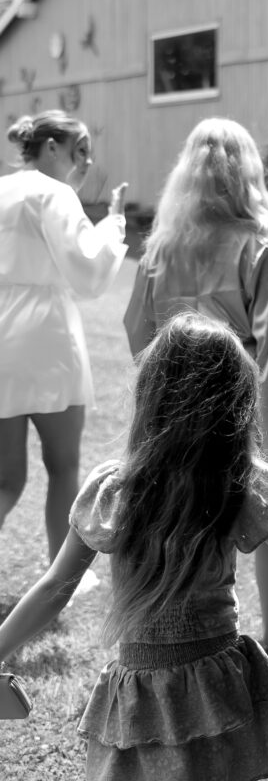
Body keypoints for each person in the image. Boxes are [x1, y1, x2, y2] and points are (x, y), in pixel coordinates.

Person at [0, 312, 268, 780]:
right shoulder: (242, 484)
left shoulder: (116, 489)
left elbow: (55, 587)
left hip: (141, 692)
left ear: (150, 397)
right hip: (217, 685)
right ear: (238, 401)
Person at [123, 118, 268, 648]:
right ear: (249, 173)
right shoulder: (262, 245)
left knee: (175, 504)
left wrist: (160, 387)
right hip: (242, 390)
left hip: (171, 390)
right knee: (266, 506)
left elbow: (137, 326)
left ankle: (170, 613)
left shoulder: (161, 247)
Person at [0, 111, 127, 569]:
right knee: (63, 466)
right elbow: (89, 270)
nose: (86, 161)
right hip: (46, 336)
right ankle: (61, 574)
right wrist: (113, 223)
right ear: (52, 147)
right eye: (81, 149)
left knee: (5, 480)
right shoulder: (53, 193)